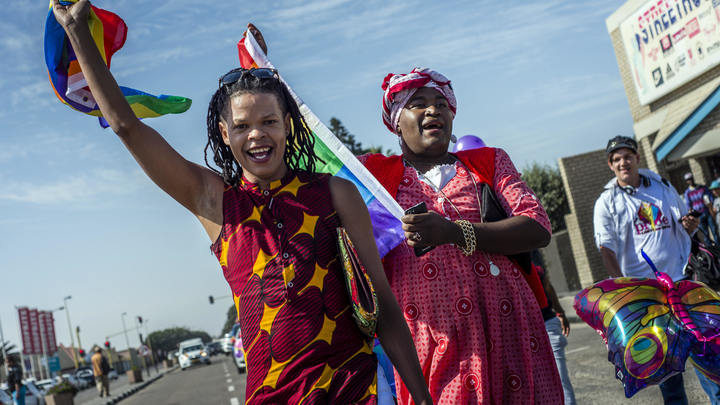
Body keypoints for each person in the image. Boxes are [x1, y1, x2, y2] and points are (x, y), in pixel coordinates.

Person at [51, 2, 431, 404]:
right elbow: (127, 127)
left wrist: (422, 400)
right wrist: (77, 31)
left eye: (268, 121)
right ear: (224, 132)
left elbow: (384, 306)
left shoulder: (336, 193)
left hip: (353, 392)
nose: (257, 136)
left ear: (287, 124)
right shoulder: (216, 202)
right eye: (242, 126)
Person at [361, 69, 564, 403]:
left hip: (510, 331)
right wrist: (267, 79)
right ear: (397, 122)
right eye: (419, 104)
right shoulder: (375, 178)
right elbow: (310, 158)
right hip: (432, 343)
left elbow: (537, 225)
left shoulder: (488, 162)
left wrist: (453, 232)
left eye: (442, 103)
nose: (434, 110)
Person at [593, 135, 720, 404]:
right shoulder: (606, 202)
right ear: (610, 165)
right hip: (649, 297)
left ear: (637, 158)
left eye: (627, 156)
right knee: (668, 376)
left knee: (710, 361)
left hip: (683, 284)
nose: (623, 162)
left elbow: (684, 224)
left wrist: (690, 227)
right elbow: (607, 249)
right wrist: (623, 293)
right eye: (616, 159)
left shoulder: (660, 185)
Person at [531, 255, 576, 405]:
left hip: (547, 321)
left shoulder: (531, 248)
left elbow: (547, 284)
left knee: (560, 379)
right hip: (522, 328)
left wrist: (560, 312)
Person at [683, 172, 719, 243]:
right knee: (705, 235)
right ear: (686, 181)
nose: (690, 180)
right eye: (688, 179)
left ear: (693, 178)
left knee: (714, 231)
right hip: (698, 216)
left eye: (691, 178)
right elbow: (688, 205)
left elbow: (709, 199)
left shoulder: (703, 188)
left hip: (707, 212)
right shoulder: (687, 193)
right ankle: (710, 252)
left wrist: (712, 210)